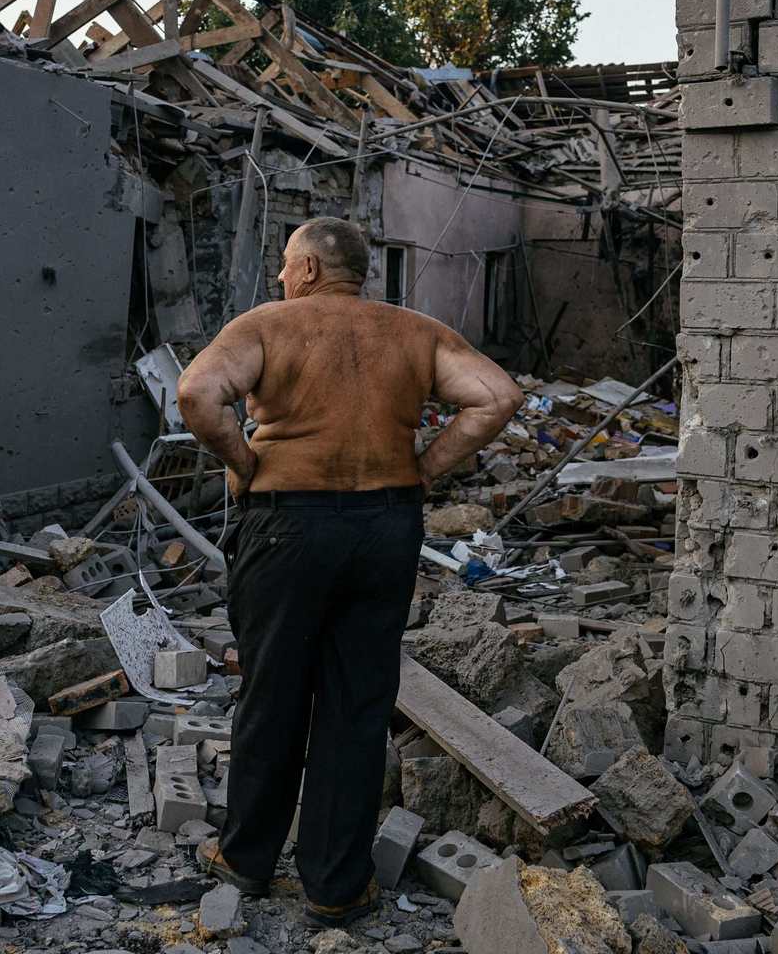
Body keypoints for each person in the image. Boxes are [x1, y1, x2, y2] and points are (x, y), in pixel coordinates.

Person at [175, 216, 524, 928]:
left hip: (287, 526)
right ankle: (336, 887)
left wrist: (246, 466)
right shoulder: (416, 331)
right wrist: (422, 468)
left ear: (306, 269)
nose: (279, 277)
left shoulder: (268, 324)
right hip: (384, 527)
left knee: (272, 691)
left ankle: (244, 860)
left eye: (284, 265)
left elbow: (196, 394)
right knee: (358, 704)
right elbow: (497, 397)